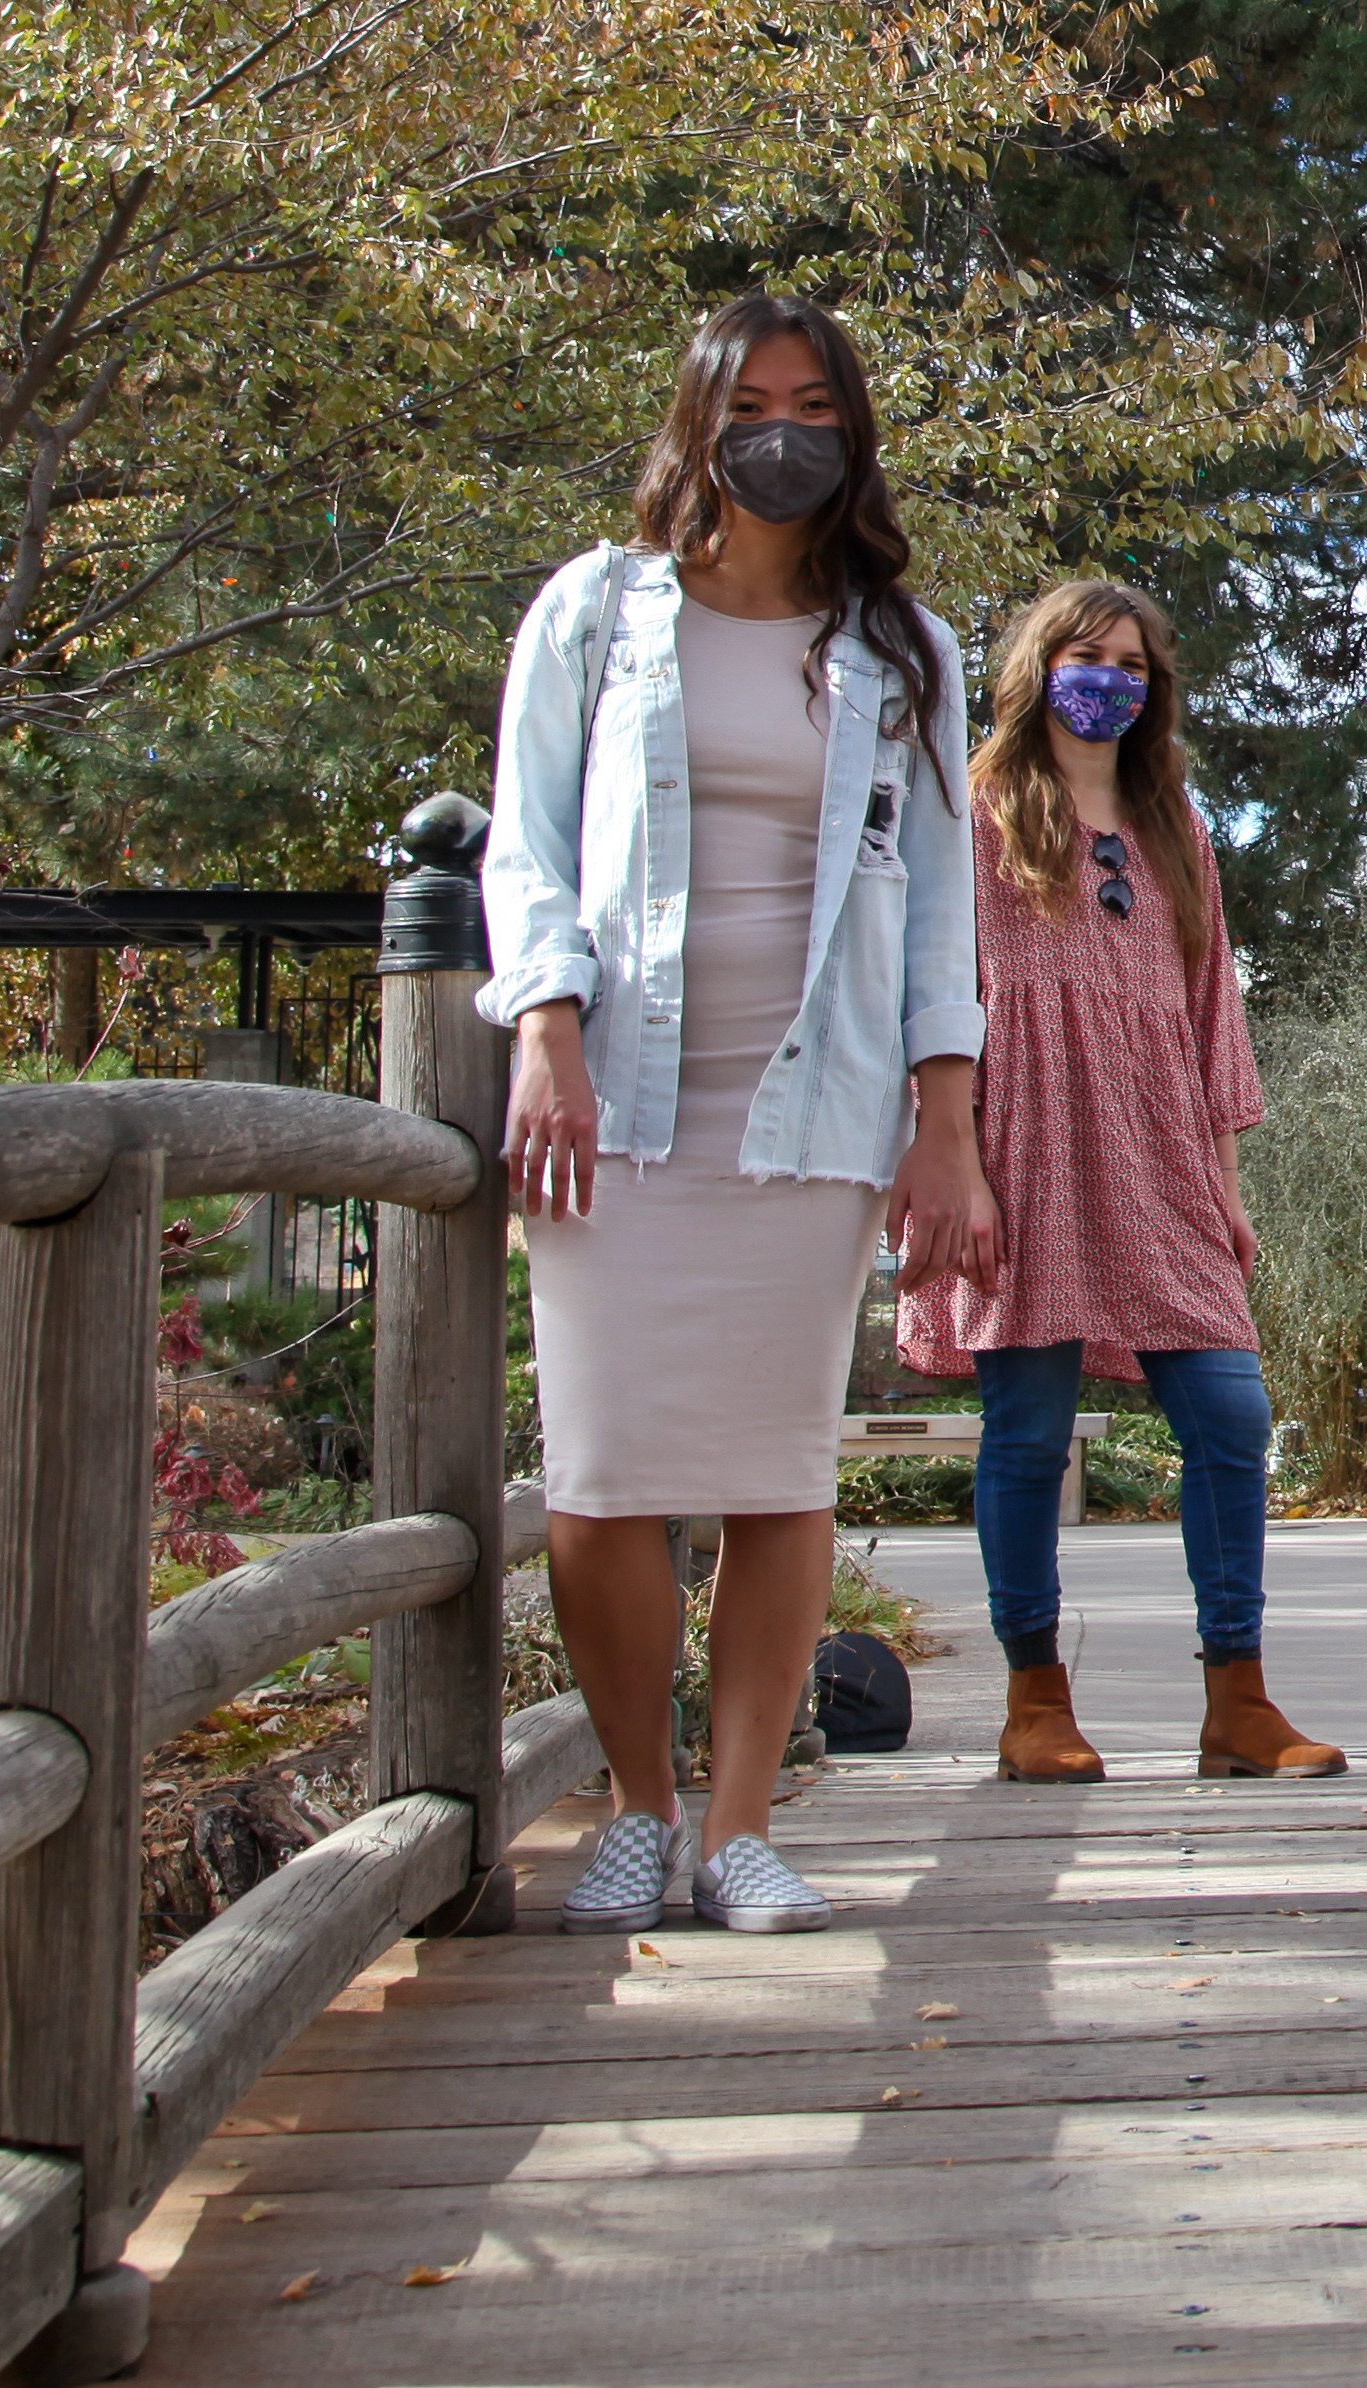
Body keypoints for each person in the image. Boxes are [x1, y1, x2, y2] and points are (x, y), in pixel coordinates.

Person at [484, 292, 999, 1935]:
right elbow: (523, 844)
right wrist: (544, 1027)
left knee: (783, 1474)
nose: (784, 429)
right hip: (618, 1099)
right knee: (605, 1474)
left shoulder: (902, 649)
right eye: (752, 401)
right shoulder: (591, 612)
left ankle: (742, 1826)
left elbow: (937, 904)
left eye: (815, 405)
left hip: (816, 1104)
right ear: (700, 422)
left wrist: (948, 1118)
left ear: (850, 434)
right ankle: (635, 1808)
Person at [894, 579, 1339, 1785]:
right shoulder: (974, 813)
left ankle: (1237, 1700)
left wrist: (1229, 1180)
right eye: (1088, 656)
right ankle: (1034, 1701)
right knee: (1029, 1434)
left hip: (1162, 1154)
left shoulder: (1173, 825)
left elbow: (1210, 1008)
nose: (1111, 679)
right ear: (1039, 666)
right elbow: (928, 987)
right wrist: (955, 1164)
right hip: (1019, 1150)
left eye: (1134, 663)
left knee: (1232, 1420)